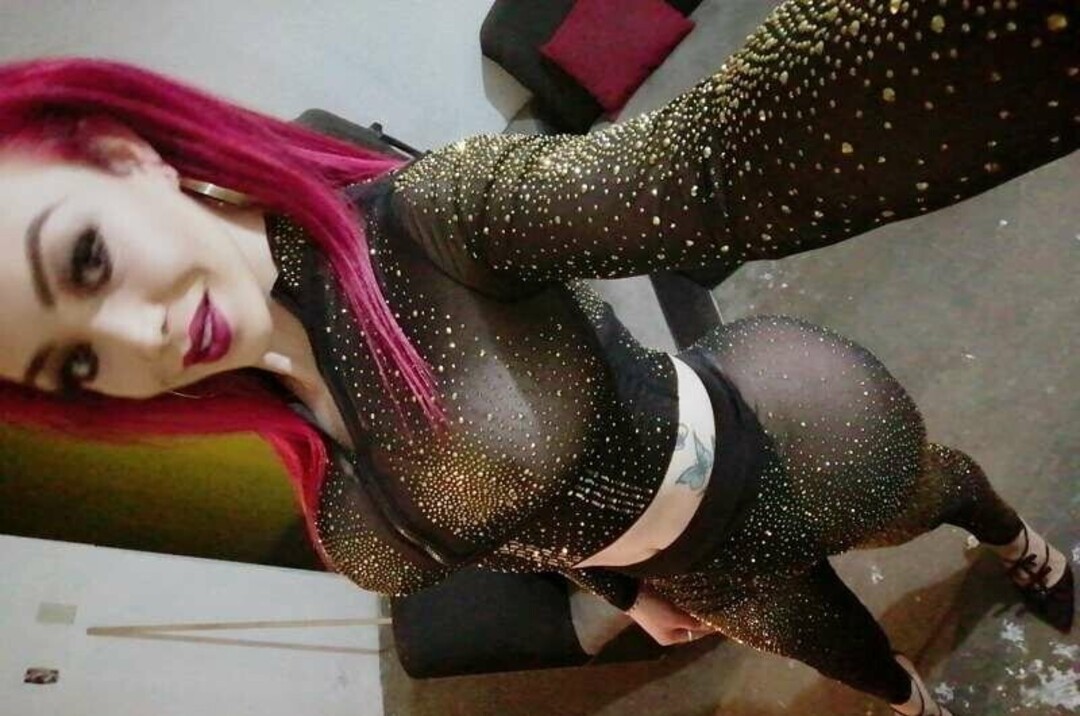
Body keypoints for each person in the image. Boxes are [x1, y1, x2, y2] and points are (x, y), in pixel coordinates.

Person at [0, 0, 1076, 713]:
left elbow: (717, 164)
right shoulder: (306, 449)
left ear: (124, 155)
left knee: (941, 491)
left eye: (85, 261)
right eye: (75, 365)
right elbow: (509, 521)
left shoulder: (431, 220)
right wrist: (621, 585)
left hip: (791, 427)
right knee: (868, 672)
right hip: (705, 571)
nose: (134, 339)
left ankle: (1027, 548)